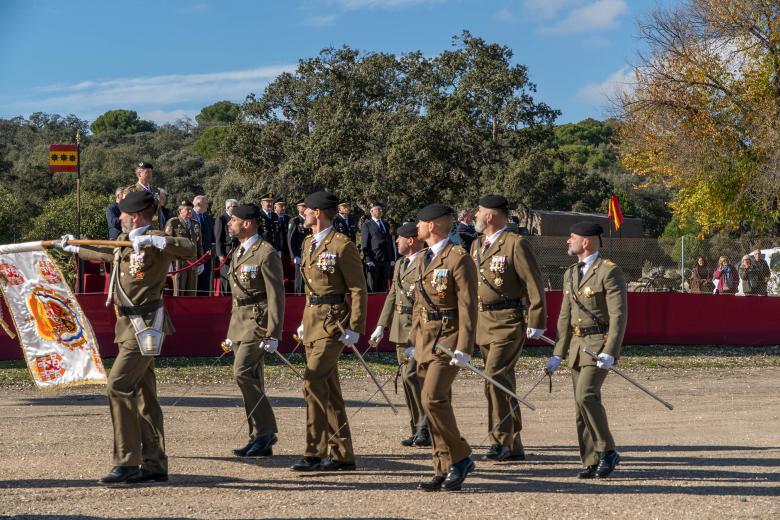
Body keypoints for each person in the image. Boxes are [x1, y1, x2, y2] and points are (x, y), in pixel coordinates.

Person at [58, 190, 196, 484]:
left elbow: (189, 248)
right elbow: (104, 251)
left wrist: (161, 242)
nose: (118, 217)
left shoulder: (156, 240)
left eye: (121, 213)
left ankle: (127, 461)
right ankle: (155, 463)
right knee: (145, 396)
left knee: (118, 386)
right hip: (127, 325)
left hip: (146, 325)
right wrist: (73, 246)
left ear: (134, 216)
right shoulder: (124, 240)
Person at [291, 191, 367, 472]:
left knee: (312, 382)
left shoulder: (342, 245)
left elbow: (358, 289)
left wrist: (355, 326)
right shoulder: (308, 243)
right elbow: (311, 288)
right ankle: (343, 455)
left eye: (307, 210)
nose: (303, 213)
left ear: (318, 213)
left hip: (334, 323)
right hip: (313, 321)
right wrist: (304, 319)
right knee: (330, 389)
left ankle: (314, 452)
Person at [545, 221, 627, 479]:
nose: (568, 241)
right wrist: (558, 352)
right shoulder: (570, 273)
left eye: (572, 237)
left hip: (598, 345)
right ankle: (591, 460)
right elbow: (565, 316)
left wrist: (611, 350)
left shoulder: (609, 271)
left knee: (586, 396)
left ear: (587, 241)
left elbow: (618, 315)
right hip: (577, 347)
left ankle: (608, 450)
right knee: (580, 407)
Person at [471, 195, 546, 462]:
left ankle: (500, 440)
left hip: (508, 321)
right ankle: (514, 443)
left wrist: (536, 320)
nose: (475, 216)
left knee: (494, 378)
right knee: (501, 382)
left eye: (479, 211)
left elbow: (534, 284)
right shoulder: (476, 245)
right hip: (483, 323)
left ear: (490, 216)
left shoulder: (515, 243)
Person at [409, 203, 478, 492]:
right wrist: (413, 339)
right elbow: (418, 303)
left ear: (433, 225)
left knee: (432, 399)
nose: (416, 227)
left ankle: (461, 457)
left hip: (448, 338)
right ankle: (443, 467)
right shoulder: (423, 257)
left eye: (420, 223)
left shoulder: (458, 258)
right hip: (425, 339)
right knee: (433, 404)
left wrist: (465, 346)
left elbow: (468, 305)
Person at [225, 203, 285, 458]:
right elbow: (236, 294)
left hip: (258, 323)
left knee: (242, 372)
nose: (229, 224)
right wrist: (231, 330)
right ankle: (259, 436)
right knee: (251, 378)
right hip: (240, 322)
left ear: (247, 223)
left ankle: (266, 431)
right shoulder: (239, 251)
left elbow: (276, 295)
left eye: (234, 220)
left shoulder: (265, 252)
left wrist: (274, 332)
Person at [370, 222, 430, 448]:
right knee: (407, 380)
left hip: (417, 328)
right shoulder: (401, 264)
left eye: (400, 238)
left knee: (413, 376)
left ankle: (426, 427)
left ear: (411, 240)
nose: (396, 241)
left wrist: (419, 334)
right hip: (399, 328)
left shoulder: (426, 261)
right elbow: (392, 295)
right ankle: (417, 428)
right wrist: (381, 326)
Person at [164, 201, 203, 296]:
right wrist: (168, 262)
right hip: (178, 263)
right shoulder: (173, 223)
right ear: (180, 211)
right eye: (187, 209)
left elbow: (199, 244)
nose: (190, 211)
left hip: (193, 262)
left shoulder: (195, 224)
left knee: (192, 291)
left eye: (191, 209)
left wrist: (201, 261)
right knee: (179, 291)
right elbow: (167, 243)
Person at [360, 201, 395, 292]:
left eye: (381, 209)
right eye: (377, 209)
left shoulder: (386, 224)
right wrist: (368, 259)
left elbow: (390, 242)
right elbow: (365, 243)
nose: (380, 211)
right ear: (371, 211)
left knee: (384, 285)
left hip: (386, 260)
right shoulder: (367, 225)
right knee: (373, 286)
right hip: (374, 259)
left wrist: (392, 258)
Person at [122, 162, 164, 229]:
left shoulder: (156, 191)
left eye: (151, 172)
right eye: (147, 172)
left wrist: (161, 229)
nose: (150, 174)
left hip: (155, 229)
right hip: (139, 229)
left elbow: (158, 211)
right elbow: (127, 213)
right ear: (139, 174)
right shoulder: (131, 191)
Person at [215, 199, 239, 296]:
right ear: (228, 207)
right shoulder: (221, 218)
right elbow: (218, 238)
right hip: (226, 252)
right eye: (235, 206)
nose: (237, 208)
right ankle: (225, 297)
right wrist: (220, 254)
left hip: (236, 250)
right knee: (226, 277)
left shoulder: (236, 218)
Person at [287, 198, 310, 294]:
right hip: (299, 254)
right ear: (298, 208)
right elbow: (290, 239)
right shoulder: (295, 221)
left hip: (308, 253)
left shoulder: (309, 221)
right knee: (299, 278)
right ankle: (298, 296)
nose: (304, 208)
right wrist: (294, 255)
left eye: (306, 206)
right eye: (302, 206)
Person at [193, 195, 214, 295]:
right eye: (206, 203)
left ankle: (203, 299)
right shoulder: (191, 215)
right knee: (195, 281)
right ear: (198, 204)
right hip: (195, 254)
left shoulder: (207, 217)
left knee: (205, 280)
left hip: (206, 254)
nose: (207, 206)